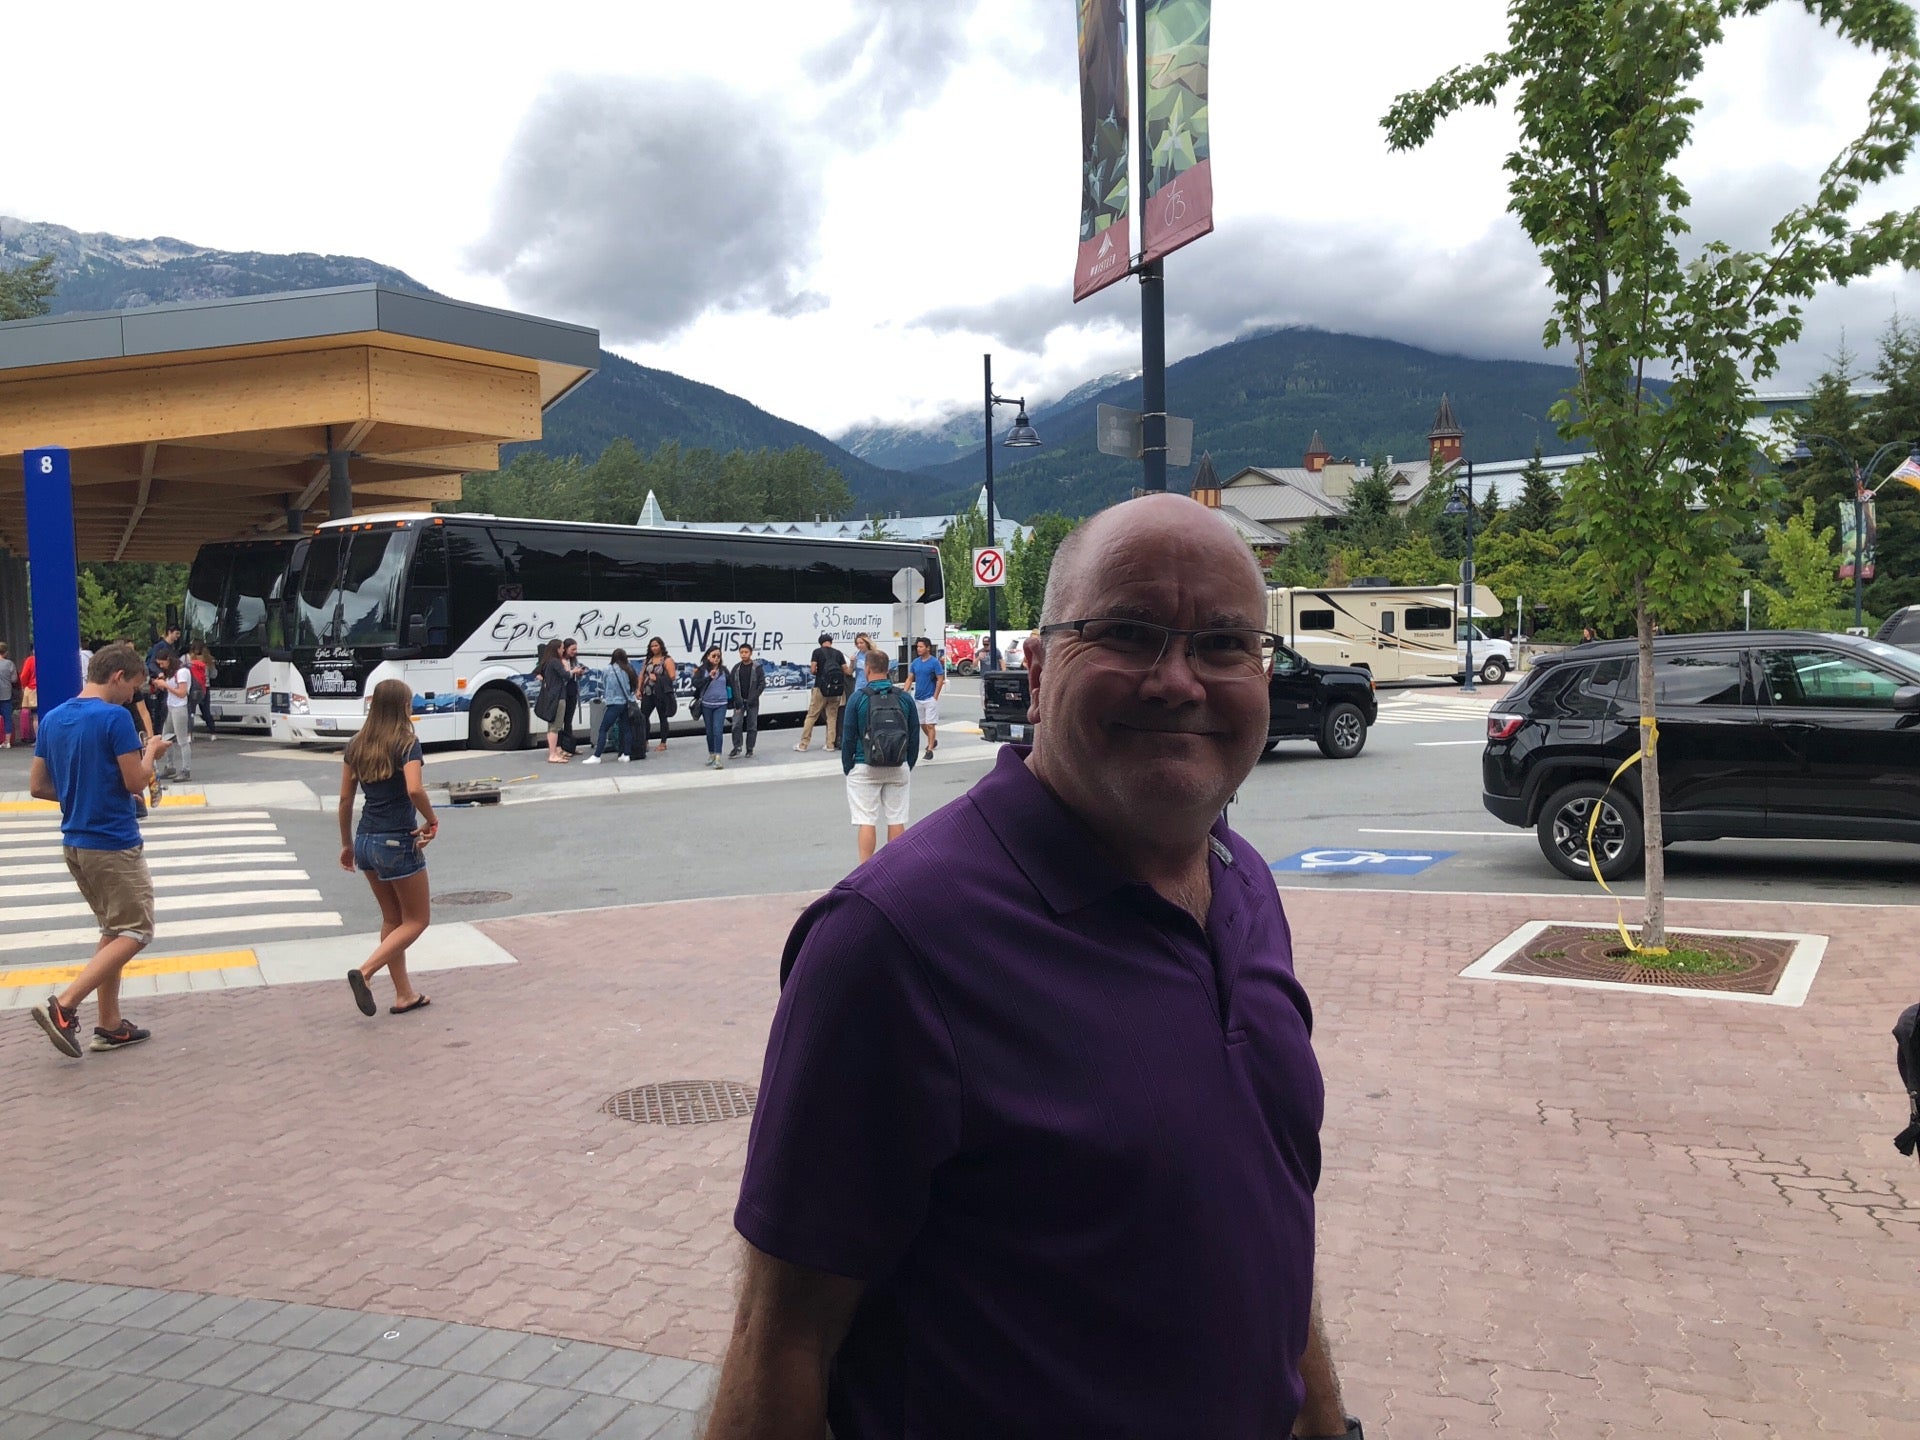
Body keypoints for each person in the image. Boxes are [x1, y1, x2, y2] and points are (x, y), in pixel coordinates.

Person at [709, 494, 1355, 1440]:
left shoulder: (1245, 884)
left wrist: (1329, 1424)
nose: (1178, 681)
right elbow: (782, 1344)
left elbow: (1265, 1216)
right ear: (1041, 670)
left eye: (1224, 644)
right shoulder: (890, 943)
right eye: (1127, 633)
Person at [26, 644, 172, 1058]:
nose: (132, 697)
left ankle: (110, 1025)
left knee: (114, 929)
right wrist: (151, 752)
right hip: (113, 842)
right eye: (133, 687)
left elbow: (38, 786)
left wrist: (84, 794)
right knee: (137, 931)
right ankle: (64, 1005)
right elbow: (135, 781)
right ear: (117, 677)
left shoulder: (54, 718)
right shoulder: (114, 718)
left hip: (76, 842)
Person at [338, 678, 438, 1017]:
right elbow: (414, 789)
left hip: (365, 840)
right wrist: (431, 819)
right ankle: (365, 972)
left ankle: (404, 994)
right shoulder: (407, 743)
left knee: (392, 918)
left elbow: (344, 800)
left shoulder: (356, 744)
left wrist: (347, 844)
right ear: (403, 707)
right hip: (396, 840)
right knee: (418, 919)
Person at [837, 645, 919, 863]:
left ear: (867, 669)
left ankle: (866, 870)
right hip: (898, 765)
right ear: (888, 670)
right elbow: (914, 736)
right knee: (896, 818)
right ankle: (895, 868)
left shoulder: (858, 698)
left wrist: (848, 767)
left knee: (866, 820)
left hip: (864, 765)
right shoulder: (904, 698)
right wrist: (907, 763)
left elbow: (848, 737)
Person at [794, 632, 848, 752]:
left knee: (812, 716)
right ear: (831, 642)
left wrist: (817, 672)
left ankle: (803, 744)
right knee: (832, 717)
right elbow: (846, 670)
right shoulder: (838, 653)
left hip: (820, 688)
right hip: (835, 690)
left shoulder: (817, 652)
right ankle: (830, 745)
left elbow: (813, 669)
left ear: (820, 643)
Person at [584, 648, 638, 764]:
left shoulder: (608, 669)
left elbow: (605, 684)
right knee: (626, 728)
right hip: (626, 703)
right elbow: (633, 685)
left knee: (603, 729)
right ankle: (626, 754)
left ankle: (597, 756)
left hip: (614, 703)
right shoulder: (629, 669)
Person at [154, 647, 193, 781]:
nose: (161, 666)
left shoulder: (182, 672)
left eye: (162, 663)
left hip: (179, 707)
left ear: (168, 660)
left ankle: (186, 769)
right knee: (166, 737)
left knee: (182, 740)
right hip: (171, 707)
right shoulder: (172, 672)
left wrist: (166, 685)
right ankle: (169, 766)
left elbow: (182, 693)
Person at [691, 644, 732, 768]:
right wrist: (709, 677)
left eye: (718, 656)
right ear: (708, 657)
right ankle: (712, 753)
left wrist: (736, 702)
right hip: (706, 705)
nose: (716, 658)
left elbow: (731, 685)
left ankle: (718, 757)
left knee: (718, 730)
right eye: (714, 656)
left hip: (721, 704)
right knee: (709, 731)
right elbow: (696, 683)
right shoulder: (702, 670)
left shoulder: (724, 670)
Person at [908, 635, 946, 761]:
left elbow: (940, 679)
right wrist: (904, 692)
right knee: (922, 724)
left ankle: (929, 750)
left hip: (930, 698)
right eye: (917, 647)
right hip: (918, 698)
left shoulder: (934, 662)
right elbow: (910, 678)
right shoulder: (915, 663)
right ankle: (932, 740)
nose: (918, 649)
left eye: (921, 646)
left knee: (930, 725)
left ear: (928, 648)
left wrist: (935, 696)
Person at [639, 637, 677, 753]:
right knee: (643, 717)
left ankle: (663, 742)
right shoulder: (648, 660)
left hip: (660, 694)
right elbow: (642, 675)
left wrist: (657, 678)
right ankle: (645, 741)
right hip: (648, 692)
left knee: (662, 717)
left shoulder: (667, 660)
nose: (654, 648)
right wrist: (638, 689)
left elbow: (672, 677)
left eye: (656, 645)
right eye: (652, 646)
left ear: (661, 646)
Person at [537, 639, 572, 764]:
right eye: (562, 647)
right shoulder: (555, 662)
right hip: (558, 696)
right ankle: (552, 754)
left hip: (551, 696)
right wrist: (569, 669)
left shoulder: (547, 662)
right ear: (557, 649)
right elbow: (566, 675)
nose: (563, 650)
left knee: (552, 725)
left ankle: (554, 752)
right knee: (555, 726)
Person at [729, 642, 765, 759]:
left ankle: (750, 749)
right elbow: (732, 685)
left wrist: (754, 696)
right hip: (739, 702)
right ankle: (737, 747)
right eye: (741, 652)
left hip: (752, 702)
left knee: (752, 726)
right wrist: (736, 699)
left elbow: (762, 684)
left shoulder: (757, 667)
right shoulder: (736, 668)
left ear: (751, 653)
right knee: (736, 724)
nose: (743, 654)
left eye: (746, 652)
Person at [188, 642, 218, 738]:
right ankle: (212, 732)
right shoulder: (208, 660)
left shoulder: (189, 659)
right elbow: (214, 675)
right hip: (205, 687)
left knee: (191, 711)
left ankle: (189, 734)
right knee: (206, 711)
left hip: (193, 687)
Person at [17, 649, 35, 744]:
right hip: (47, 689)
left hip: (33, 689)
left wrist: (24, 686)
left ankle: (38, 739)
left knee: (35, 716)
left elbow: (24, 675)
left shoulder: (30, 660)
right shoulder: (48, 659)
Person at [0, 641, 15, 748]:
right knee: (7, 718)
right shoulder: (9, 664)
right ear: (5, 652)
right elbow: (14, 679)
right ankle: (7, 741)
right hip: (6, 694)